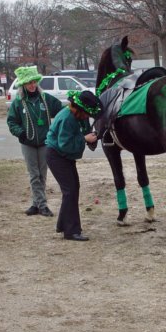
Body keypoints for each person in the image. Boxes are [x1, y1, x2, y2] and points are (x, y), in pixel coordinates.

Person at [45, 90, 102, 241]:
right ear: (78, 109)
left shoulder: (78, 116)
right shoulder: (67, 118)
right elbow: (65, 145)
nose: (87, 117)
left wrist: (93, 137)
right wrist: (84, 139)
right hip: (56, 156)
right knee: (70, 190)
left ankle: (63, 225)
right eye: (86, 114)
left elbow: (86, 131)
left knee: (72, 189)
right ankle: (71, 231)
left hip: (64, 156)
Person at [7, 66, 63, 217]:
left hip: (45, 143)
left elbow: (61, 111)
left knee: (42, 174)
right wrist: (21, 133)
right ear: (23, 85)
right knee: (34, 174)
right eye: (28, 83)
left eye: (34, 82)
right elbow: (12, 121)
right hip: (28, 143)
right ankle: (42, 205)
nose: (32, 85)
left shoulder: (45, 99)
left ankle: (36, 203)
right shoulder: (18, 102)